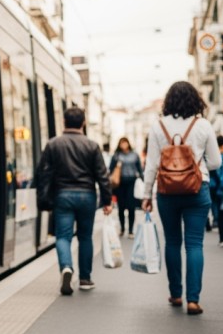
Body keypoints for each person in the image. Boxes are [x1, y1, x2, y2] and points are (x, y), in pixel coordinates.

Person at [142, 81, 221, 316]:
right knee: (194, 244)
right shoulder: (203, 124)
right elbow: (216, 162)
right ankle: (193, 300)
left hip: (167, 192)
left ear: (169, 101)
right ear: (195, 99)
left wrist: (146, 194)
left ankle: (176, 294)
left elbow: (151, 165)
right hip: (197, 189)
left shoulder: (157, 127)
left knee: (173, 242)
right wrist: (197, 164)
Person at [36, 106, 112, 295]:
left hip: (63, 195)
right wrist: (107, 200)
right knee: (85, 237)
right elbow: (102, 175)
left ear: (64, 122)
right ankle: (85, 279)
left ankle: (66, 267)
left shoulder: (53, 144)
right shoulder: (92, 145)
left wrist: (44, 197)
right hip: (87, 195)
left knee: (63, 236)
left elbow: (43, 173)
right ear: (83, 123)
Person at [108, 137, 143, 238]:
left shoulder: (134, 155)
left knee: (131, 207)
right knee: (121, 207)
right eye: (122, 143)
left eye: (125, 143)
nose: (123, 145)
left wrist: (142, 181)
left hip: (131, 182)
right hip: (120, 183)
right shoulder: (116, 156)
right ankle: (122, 228)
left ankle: (131, 230)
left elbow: (139, 169)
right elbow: (111, 169)